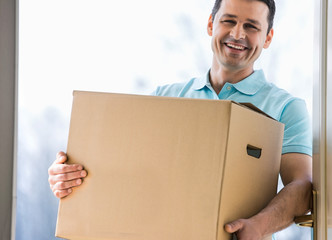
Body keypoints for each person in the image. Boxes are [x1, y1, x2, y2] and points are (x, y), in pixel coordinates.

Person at [48, 0, 312, 239]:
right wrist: (71, 177)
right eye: (228, 21)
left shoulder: (287, 108)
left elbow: (301, 187)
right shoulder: (165, 98)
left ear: (268, 38)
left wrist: (259, 226)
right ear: (211, 24)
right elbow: (126, 173)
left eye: (252, 26)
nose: (237, 34)